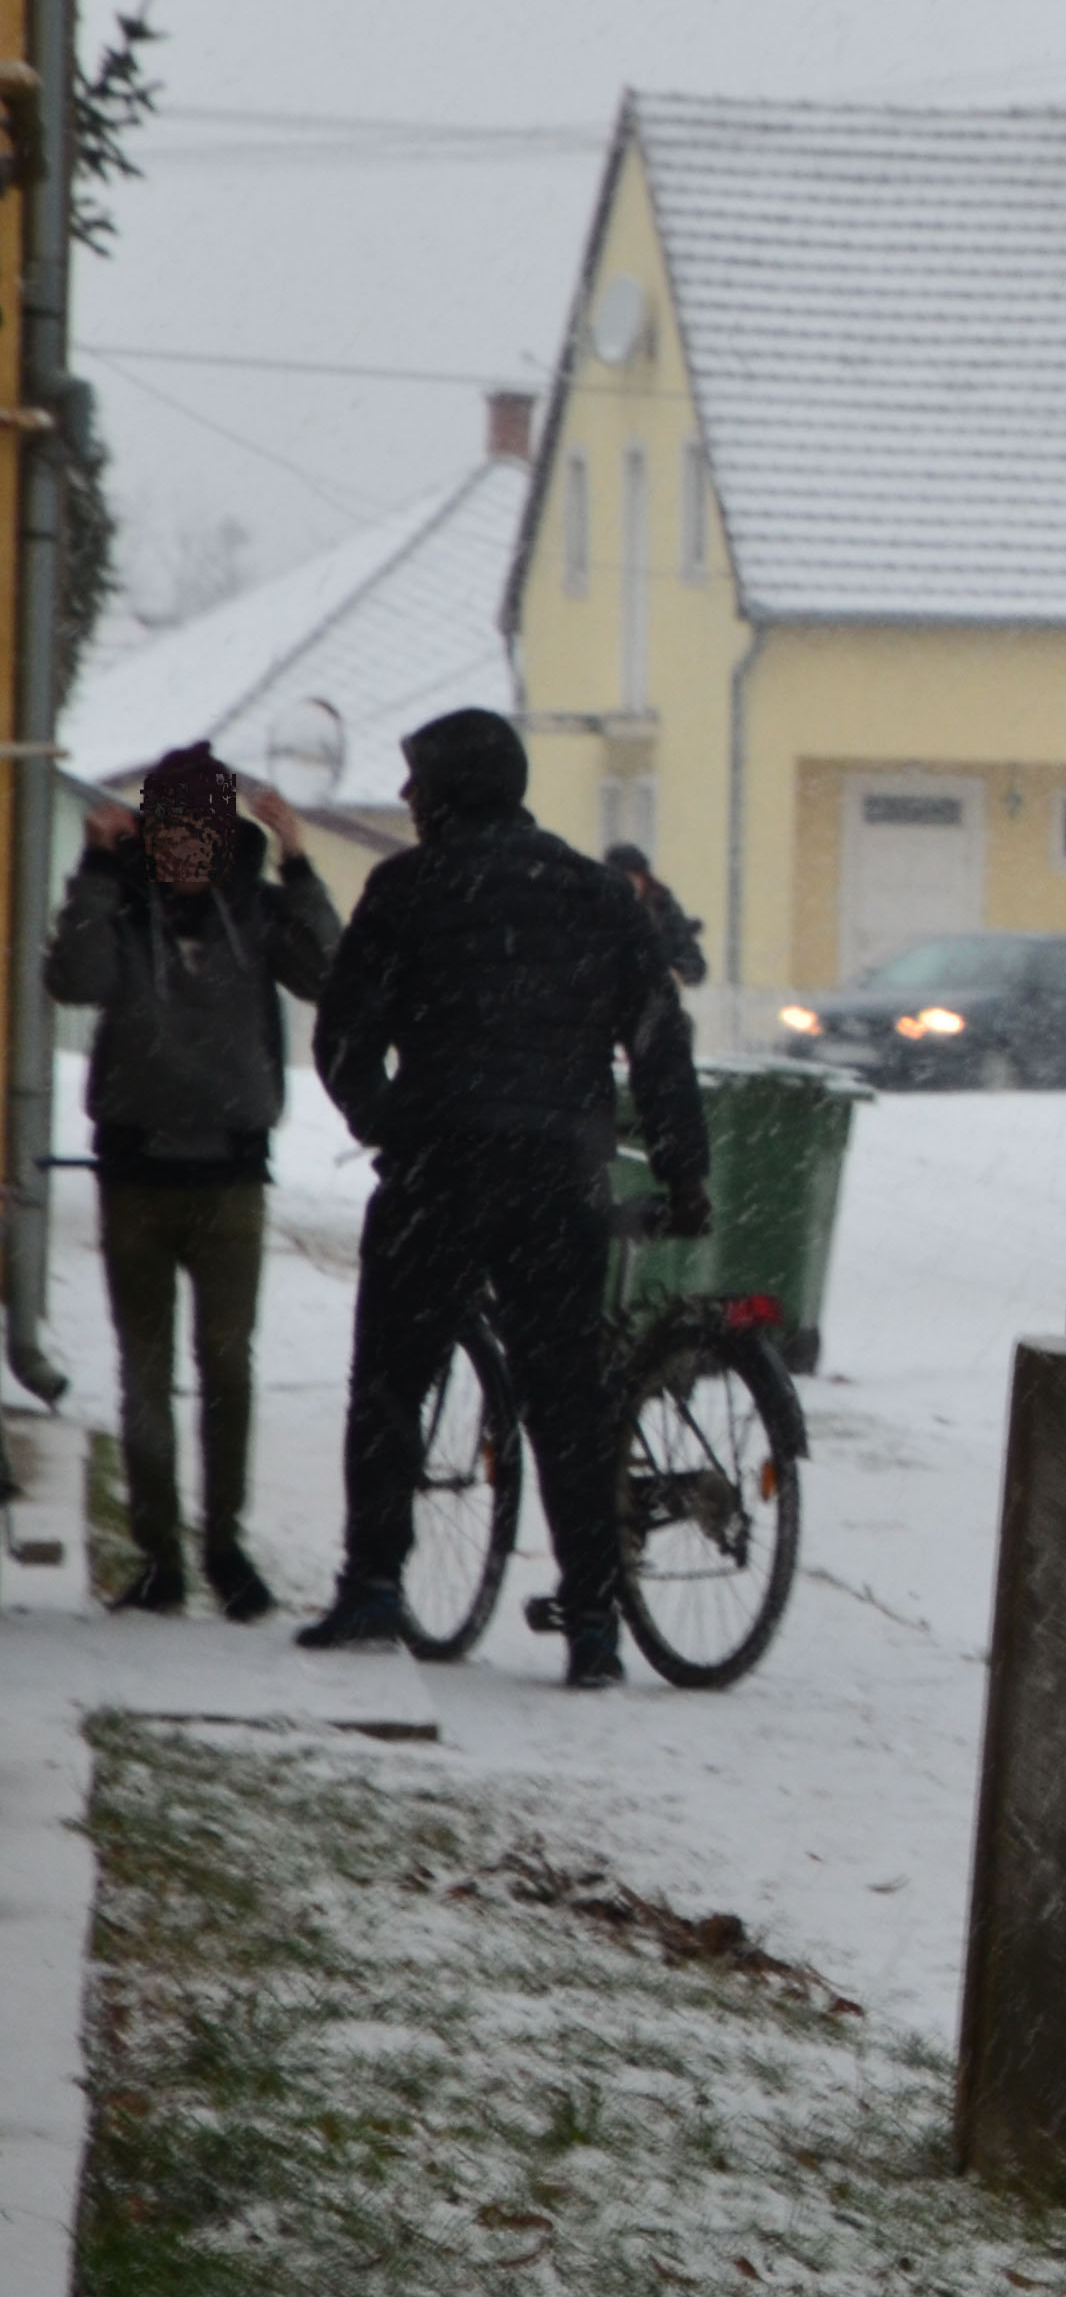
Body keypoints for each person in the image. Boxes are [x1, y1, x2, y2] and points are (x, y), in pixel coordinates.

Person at [305, 709, 707, 1684]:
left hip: (438, 1172)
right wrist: (681, 1172)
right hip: (556, 1180)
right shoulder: (596, 894)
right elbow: (658, 1040)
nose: (403, 799)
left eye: (415, 782)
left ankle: (372, 1584)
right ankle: (593, 1622)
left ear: (446, 792)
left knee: (394, 1375)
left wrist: (390, 1120)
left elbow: (344, 1038)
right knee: (565, 1396)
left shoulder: (406, 891)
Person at [44, 745, 339, 1619]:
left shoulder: (257, 909)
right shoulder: (122, 905)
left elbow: (329, 972)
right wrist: (95, 870)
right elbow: (73, 979)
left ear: (223, 835)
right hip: (134, 1167)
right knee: (143, 1373)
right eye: (168, 832)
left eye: (199, 834)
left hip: (230, 1171)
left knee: (226, 1367)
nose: (183, 850)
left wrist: (300, 859)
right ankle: (159, 1556)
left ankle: (225, 1549)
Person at [599, 841, 708, 989]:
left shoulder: (661, 907)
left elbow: (689, 960)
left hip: (651, 999)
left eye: (635, 878)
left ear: (645, 879)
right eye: (623, 878)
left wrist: (678, 966)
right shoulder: (597, 907)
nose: (630, 885)